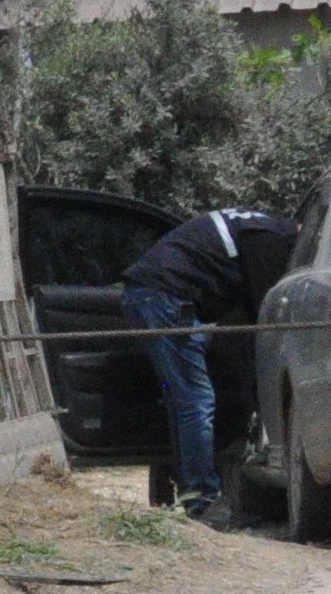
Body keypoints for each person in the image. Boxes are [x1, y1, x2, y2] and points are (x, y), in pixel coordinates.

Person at [119, 206, 297, 522]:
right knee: (194, 401)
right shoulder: (271, 240)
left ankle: (192, 490)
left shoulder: (258, 227)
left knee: (182, 400)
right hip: (165, 301)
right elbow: (264, 317)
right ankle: (203, 501)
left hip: (153, 297)